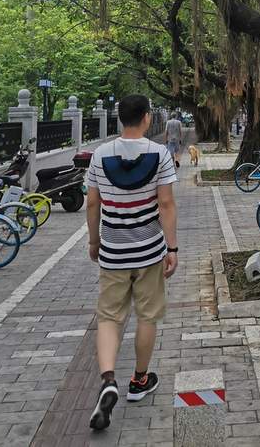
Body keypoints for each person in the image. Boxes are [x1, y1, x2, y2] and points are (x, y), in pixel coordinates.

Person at [86, 94, 178, 431]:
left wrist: (95, 241)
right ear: (147, 118)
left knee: (110, 317)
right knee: (147, 315)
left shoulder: (100, 155)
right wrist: (173, 249)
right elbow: (166, 204)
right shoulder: (160, 154)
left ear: (119, 118)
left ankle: (108, 378)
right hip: (150, 251)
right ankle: (139, 380)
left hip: (113, 251)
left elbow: (92, 204)